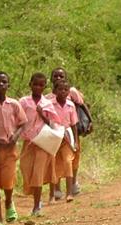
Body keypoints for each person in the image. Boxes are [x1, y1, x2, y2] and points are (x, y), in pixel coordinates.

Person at [0, 71, 27, 225]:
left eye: (4, 82)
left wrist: (15, 137)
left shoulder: (14, 104)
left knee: (8, 181)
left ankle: (9, 201)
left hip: (10, 149)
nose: (0, 85)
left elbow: (23, 122)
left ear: (8, 85)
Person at [19, 72, 60, 216]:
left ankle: (36, 205)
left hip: (43, 142)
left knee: (38, 172)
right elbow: (19, 120)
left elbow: (53, 123)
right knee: (26, 169)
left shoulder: (47, 103)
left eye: (41, 85)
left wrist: (42, 114)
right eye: (35, 84)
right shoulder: (23, 102)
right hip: (28, 141)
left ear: (45, 87)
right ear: (30, 84)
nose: (37, 87)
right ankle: (35, 196)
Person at [50, 67, 93, 198]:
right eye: (56, 76)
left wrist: (90, 121)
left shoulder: (72, 91)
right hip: (56, 134)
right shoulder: (48, 97)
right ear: (51, 79)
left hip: (70, 132)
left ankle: (73, 183)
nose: (58, 78)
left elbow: (83, 105)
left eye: (61, 76)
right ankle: (57, 188)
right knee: (56, 159)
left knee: (74, 156)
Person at [47, 80, 78, 203]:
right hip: (54, 136)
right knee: (53, 163)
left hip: (66, 136)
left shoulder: (71, 105)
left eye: (66, 89)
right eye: (60, 89)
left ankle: (69, 193)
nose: (63, 92)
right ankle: (53, 193)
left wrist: (75, 140)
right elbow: (47, 121)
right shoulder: (49, 104)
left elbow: (74, 124)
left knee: (67, 161)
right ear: (55, 91)